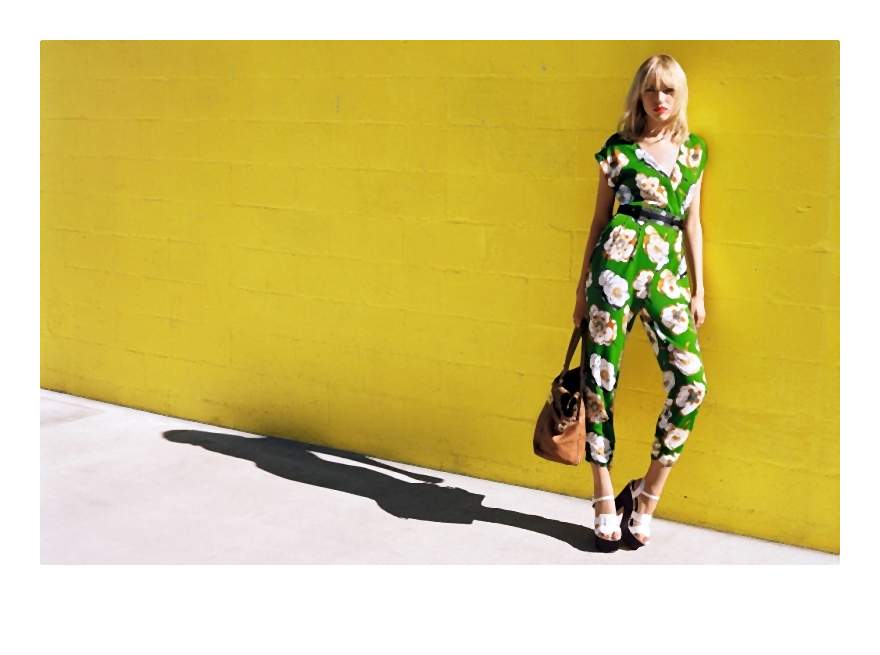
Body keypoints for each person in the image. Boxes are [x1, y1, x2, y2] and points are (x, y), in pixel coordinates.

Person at [573, 54, 710, 552]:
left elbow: (693, 223)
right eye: (651, 90)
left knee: (691, 383)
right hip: (613, 269)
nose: (659, 99)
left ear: (680, 94)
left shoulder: (694, 153)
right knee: (600, 378)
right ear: (640, 94)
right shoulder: (618, 150)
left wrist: (698, 289)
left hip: (667, 275)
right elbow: (597, 220)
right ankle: (603, 494)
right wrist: (580, 288)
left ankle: (646, 495)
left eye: (668, 90)